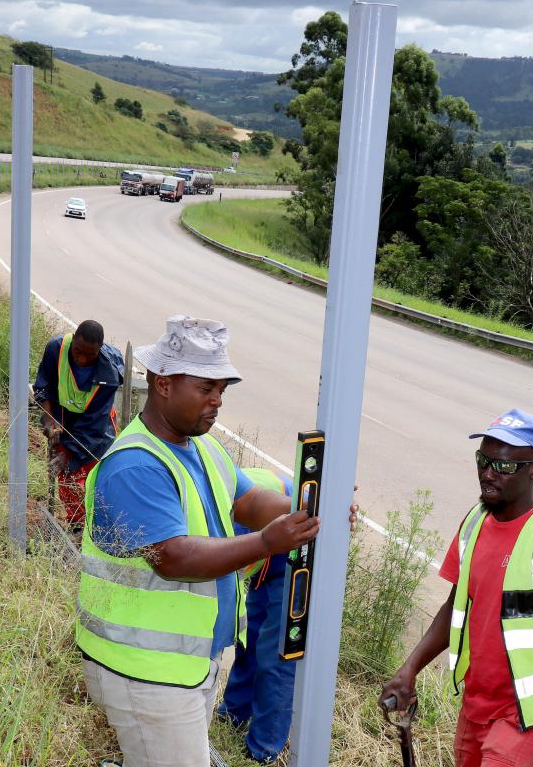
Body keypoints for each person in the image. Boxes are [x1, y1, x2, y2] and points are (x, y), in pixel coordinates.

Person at [76, 314, 355, 767]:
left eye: (222, 391)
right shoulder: (136, 466)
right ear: (163, 383)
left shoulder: (201, 447)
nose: (216, 402)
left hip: (186, 665)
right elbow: (173, 557)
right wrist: (268, 543)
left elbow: (249, 502)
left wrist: (314, 506)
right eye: (206, 389)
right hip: (145, 672)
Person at [379, 409, 533, 767]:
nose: (488, 474)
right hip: (476, 708)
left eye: (503, 467)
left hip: (530, 721)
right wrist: (410, 668)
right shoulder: (475, 521)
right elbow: (458, 604)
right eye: (483, 461)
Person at [217, 467, 298, 765]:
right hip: (265, 529)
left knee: (276, 648)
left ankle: (263, 748)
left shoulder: (210, 523)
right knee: (251, 633)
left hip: (293, 534)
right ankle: (234, 713)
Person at [32, 320, 124, 530]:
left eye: (90, 355)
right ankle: (79, 528)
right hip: (63, 418)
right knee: (67, 476)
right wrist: (49, 418)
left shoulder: (108, 374)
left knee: (97, 476)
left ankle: (102, 529)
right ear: (73, 340)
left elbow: (94, 423)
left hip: (97, 426)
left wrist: (69, 453)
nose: (82, 359)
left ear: (99, 350)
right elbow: (43, 387)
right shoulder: (56, 349)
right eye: (78, 351)